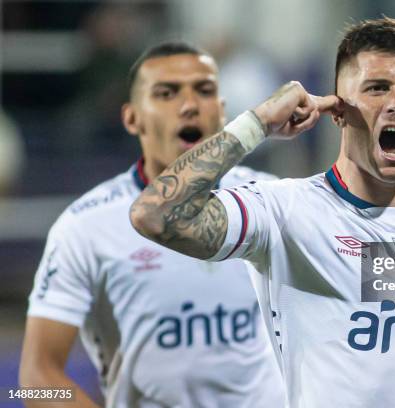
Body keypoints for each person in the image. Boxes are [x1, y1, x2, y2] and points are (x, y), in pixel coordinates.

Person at [131, 18, 395, 408]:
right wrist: (257, 124)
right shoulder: (283, 213)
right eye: (377, 88)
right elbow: (155, 215)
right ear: (338, 109)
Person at [20, 42, 285, 408]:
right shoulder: (85, 226)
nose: (189, 104)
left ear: (223, 111)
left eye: (204, 90)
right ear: (132, 118)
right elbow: (34, 382)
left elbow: (374, 273)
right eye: (166, 93)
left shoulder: (271, 199)